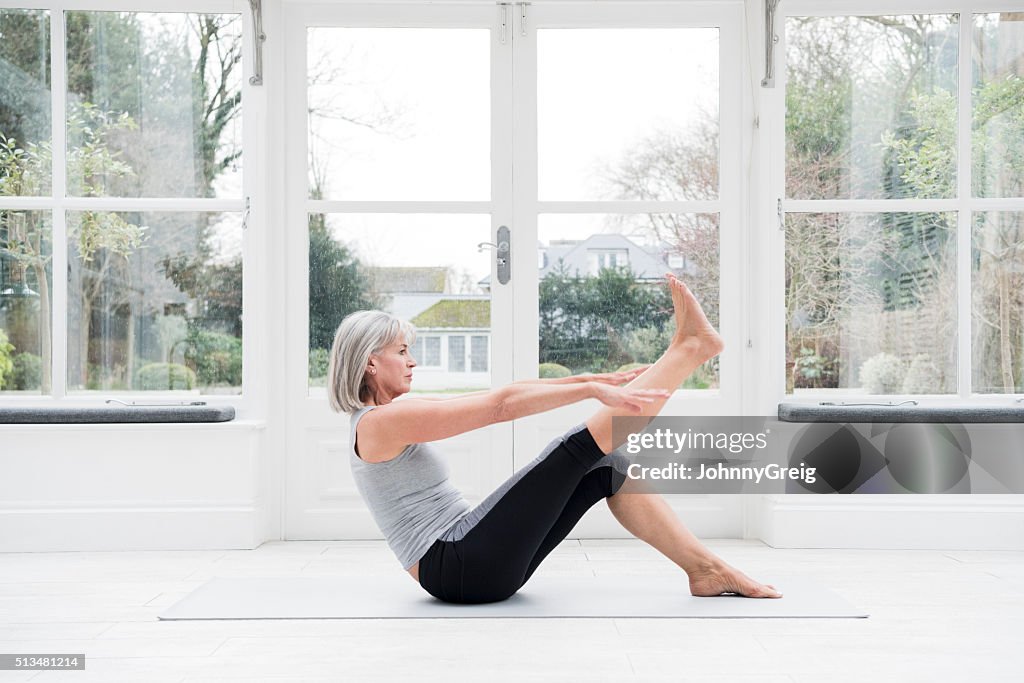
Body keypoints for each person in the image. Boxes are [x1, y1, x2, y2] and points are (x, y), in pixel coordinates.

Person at [328, 273, 782, 604]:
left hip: (470, 565)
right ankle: (690, 350)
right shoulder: (377, 424)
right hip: (458, 566)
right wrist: (589, 391)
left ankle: (705, 570)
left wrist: (587, 377)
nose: (412, 362)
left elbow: (495, 395)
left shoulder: (387, 417)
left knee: (608, 466)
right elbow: (498, 408)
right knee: (578, 447)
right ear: (370, 363)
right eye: (402, 352)